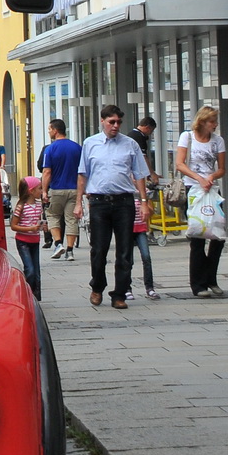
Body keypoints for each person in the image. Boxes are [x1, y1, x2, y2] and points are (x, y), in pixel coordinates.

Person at [74, 104, 149, 309]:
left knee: (125, 251)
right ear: (102, 121)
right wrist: (78, 203)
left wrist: (143, 202)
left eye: (118, 122)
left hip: (124, 202)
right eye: (111, 122)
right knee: (99, 249)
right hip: (98, 202)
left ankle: (120, 294)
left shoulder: (130, 144)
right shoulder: (90, 144)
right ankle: (97, 287)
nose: (115, 126)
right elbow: (83, 174)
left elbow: (140, 174)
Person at [176, 105, 227, 298]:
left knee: (217, 235)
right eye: (212, 121)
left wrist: (211, 177)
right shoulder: (187, 137)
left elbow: (222, 168)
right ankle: (198, 284)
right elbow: (180, 164)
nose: (215, 125)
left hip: (212, 189)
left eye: (215, 121)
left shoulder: (218, 141)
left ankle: (211, 278)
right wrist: (199, 178)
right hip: (194, 189)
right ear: (203, 121)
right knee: (197, 235)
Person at [39, 118, 83, 261]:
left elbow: (46, 172)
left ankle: (58, 244)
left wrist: (44, 191)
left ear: (55, 130)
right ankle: (70, 251)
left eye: (50, 129)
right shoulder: (77, 147)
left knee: (52, 216)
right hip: (74, 189)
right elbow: (82, 171)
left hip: (57, 189)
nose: (49, 132)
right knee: (71, 219)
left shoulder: (50, 149)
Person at [10, 175, 44, 300]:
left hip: (35, 241)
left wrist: (42, 227)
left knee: (37, 272)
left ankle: (35, 297)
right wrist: (30, 229)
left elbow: (36, 222)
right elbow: (13, 226)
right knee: (30, 269)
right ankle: (26, 294)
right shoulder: (21, 206)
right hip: (23, 241)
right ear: (31, 191)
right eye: (39, 189)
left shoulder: (39, 206)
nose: (41, 191)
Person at [127, 194, 160, 300]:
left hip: (141, 230)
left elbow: (151, 212)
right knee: (128, 260)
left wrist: (144, 204)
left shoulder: (143, 192)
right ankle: (127, 288)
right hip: (126, 231)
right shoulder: (124, 189)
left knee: (146, 257)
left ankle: (150, 288)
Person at [130, 114, 159, 186]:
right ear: (147, 127)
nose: (150, 134)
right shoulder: (139, 137)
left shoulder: (131, 134)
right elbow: (143, 157)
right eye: (151, 131)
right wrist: (152, 173)